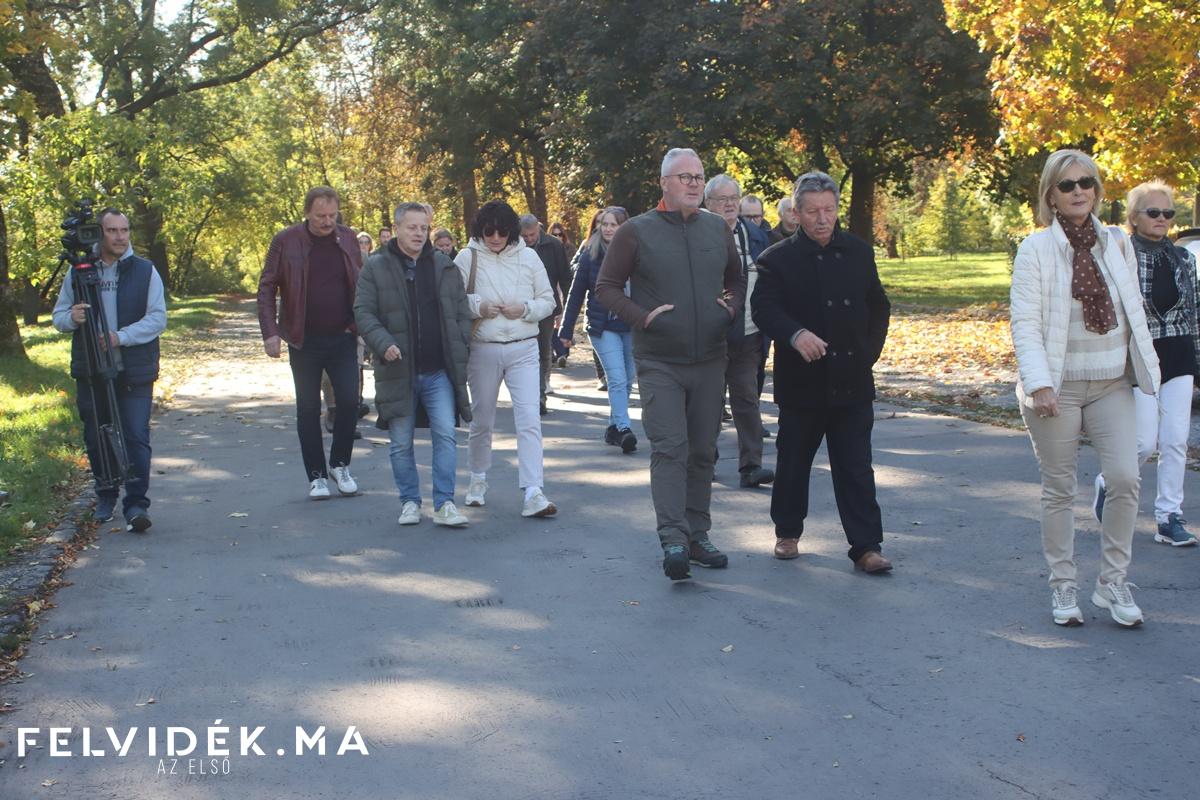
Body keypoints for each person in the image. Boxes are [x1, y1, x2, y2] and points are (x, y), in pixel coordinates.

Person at [1010, 149, 1159, 627]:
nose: (1079, 192)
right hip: (1058, 387)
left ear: (1097, 190)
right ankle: (1063, 584)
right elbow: (1025, 324)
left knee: (1125, 478)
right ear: (1051, 195)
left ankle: (1112, 582)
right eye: (1067, 185)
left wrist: (1149, 369)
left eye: (1086, 183)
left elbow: (1134, 310)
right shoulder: (1035, 249)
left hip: (1111, 381)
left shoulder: (1116, 243)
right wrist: (1040, 384)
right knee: (1059, 489)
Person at [595, 147, 745, 581]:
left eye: (698, 177)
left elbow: (736, 279)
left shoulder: (716, 228)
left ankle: (698, 535)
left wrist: (730, 308)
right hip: (660, 360)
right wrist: (643, 318)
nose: (694, 183)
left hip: (710, 358)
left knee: (703, 450)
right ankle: (674, 539)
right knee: (669, 447)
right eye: (685, 177)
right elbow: (606, 287)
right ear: (664, 183)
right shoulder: (636, 231)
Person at [752, 172, 891, 574]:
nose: (822, 218)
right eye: (813, 211)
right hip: (803, 383)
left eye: (829, 210)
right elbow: (764, 309)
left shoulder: (859, 252)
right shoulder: (776, 259)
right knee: (793, 463)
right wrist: (795, 335)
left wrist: (866, 354)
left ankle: (866, 546)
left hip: (852, 379)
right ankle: (787, 531)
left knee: (856, 467)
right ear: (796, 213)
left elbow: (879, 306)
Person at [1093, 182, 1198, 547]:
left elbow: (1194, 313)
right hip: (1139, 356)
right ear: (1134, 217)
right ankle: (1109, 483)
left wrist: (1198, 362)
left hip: (1179, 353)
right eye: (1153, 212)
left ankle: (1169, 517)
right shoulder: (1121, 256)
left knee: (1176, 440)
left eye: (1168, 213)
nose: (1162, 219)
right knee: (1143, 442)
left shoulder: (1184, 258)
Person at [354, 203, 473, 528]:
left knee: (446, 435)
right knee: (400, 442)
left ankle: (445, 504)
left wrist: (461, 341)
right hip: (398, 372)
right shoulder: (376, 266)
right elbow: (363, 312)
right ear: (397, 229)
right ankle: (409, 502)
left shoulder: (443, 265)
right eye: (412, 227)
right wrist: (383, 343)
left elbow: (461, 311)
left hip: (439, 370)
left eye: (424, 227)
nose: (419, 233)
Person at [53, 207, 167, 532]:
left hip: (134, 369)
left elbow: (158, 318)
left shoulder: (145, 270)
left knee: (136, 436)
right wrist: (71, 317)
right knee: (96, 435)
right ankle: (106, 494)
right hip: (91, 369)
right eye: (112, 230)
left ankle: (136, 505)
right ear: (99, 234)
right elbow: (58, 316)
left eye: (124, 230)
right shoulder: (79, 272)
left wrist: (121, 337)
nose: (120, 237)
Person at [257, 186, 364, 500]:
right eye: (320, 216)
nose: (327, 222)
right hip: (303, 339)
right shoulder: (286, 240)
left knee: (349, 402)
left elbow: (361, 282)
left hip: (343, 335)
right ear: (307, 213)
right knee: (308, 408)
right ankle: (316, 476)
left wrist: (363, 325)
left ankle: (340, 465)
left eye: (332, 215)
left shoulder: (348, 238)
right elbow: (267, 287)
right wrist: (270, 332)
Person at [455, 201, 558, 518]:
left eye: (502, 232)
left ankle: (534, 491)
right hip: (483, 348)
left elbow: (548, 300)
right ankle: (477, 478)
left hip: (524, 347)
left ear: (512, 232)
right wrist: (478, 306)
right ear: (480, 230)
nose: (496, 237)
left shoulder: (529, 257)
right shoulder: (467, 257)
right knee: (482, 419)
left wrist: (525, 309)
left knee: (529, 420)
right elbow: (453, 300)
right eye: (489, 231)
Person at [704, 175, 774, 488]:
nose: (730, 204)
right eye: (722, 199)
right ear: (708, 203)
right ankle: (705, 463)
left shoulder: (756, 236)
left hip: (748, 334)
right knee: (709, 403)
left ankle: (751, 466)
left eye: (734, 198)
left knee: (747, 399)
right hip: (709, 336)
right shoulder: (697, 234)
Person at [557, 207, 637, 452]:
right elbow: (576, 294)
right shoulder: (590, 255)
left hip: (631, 325)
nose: (608, 229)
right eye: (604, 224)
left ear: (624, 227)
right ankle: (624, 428)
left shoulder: (637, 253)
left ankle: (613, 428)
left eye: (613, 224)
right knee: (617, 378)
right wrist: (566, 330)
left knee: (627, 379)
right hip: (603, 327)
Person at [519, 214, 572, 415]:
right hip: (520, 305)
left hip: (546, 306)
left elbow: (565, 277)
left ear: (538, 230)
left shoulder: (553, 245)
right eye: (524, 236)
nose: (528, 239)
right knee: (524, 352)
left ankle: (539, 396)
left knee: (542, 350)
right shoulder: (514, 245)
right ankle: (528, 394)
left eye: (532, 235)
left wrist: (566, 309)